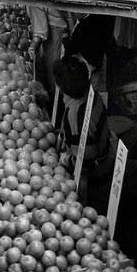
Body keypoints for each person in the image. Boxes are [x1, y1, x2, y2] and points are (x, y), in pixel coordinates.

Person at [52, 55, 116, 212]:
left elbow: (86, 161)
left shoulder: (75, 117)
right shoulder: (90, 93)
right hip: (106, 154)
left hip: (96, 175)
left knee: (91, 208)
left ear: (63, 88)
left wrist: (65, 159)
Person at [28, 6, 78, 101]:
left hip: (55, 32)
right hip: (64, 30)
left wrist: (33, 45)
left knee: (53, 73)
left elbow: (40, 30)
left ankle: (55, 104)